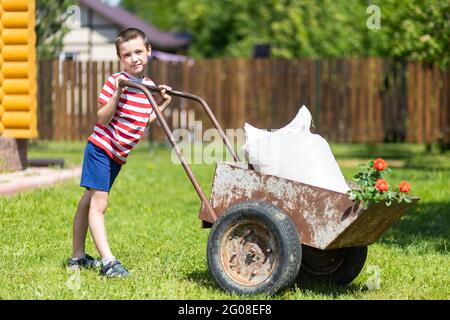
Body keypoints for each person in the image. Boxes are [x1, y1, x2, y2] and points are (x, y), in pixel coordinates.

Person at [66, 28, 172, 278]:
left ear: (148, 51)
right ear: (120, 59)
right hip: (101, 149)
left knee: (87, 202)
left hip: (117, 157)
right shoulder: (116, 81)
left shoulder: (148, 86)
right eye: (127, 55)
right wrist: (118, 93)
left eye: (138, 52)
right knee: (98, 204)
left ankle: (77, 257)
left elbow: (142, 122)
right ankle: (108, 262)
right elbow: (102, 118)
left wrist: (163, 102)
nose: (134, 58)